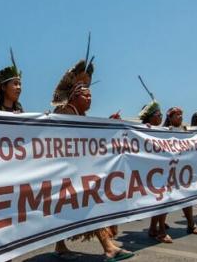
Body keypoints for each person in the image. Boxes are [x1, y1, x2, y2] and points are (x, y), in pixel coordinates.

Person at [51, 58, 134, 262]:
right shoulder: (64, 113)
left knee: (84, 206)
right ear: (73, 96)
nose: (89, 98)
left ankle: (63, 245)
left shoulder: (80, 114)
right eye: (84, 95)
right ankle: (107, 247)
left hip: (79, 171)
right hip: (64, 172)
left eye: (90, 95)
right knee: (89, 205)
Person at [163, 107, 197, 235]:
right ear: (170, 118)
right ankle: (158, 225)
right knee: (166, 199)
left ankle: (191, 224)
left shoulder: (186, 130)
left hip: (183, 170)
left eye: (181, 114)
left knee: (186, 197)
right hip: (169, 170)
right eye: (177, 115)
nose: (180, 117)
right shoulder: (164, 131)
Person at [139, 101, 173, 243]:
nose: (160, 117)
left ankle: (154, 228)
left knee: (159, 201)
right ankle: (161, 231)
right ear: (150, 117)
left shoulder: (161, 130)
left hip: (159, 172)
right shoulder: (141, 129)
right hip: (146, 172)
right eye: (158, 115)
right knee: (162, 200)